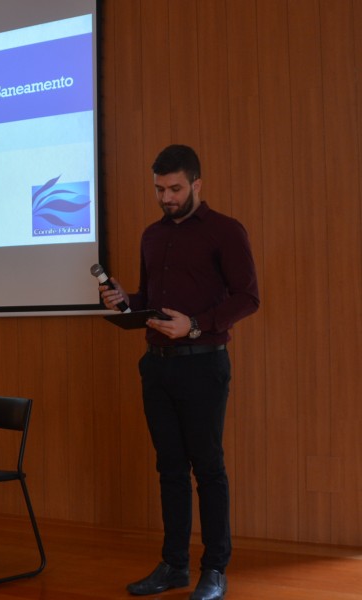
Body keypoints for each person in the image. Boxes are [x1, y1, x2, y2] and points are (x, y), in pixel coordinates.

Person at [99, 145, 259, 600]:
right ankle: (173, 565)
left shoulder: (225, 231)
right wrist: (123, 301)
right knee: (169, 469)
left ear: (196, 185)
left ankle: (214, 570)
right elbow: (148, 298)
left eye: (174, 189)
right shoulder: (151, 235)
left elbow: (247, 297)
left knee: (208, 469)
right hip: (157, 367)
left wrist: (197, 325)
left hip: (204, 365)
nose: (166, 197)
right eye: (158, 189)